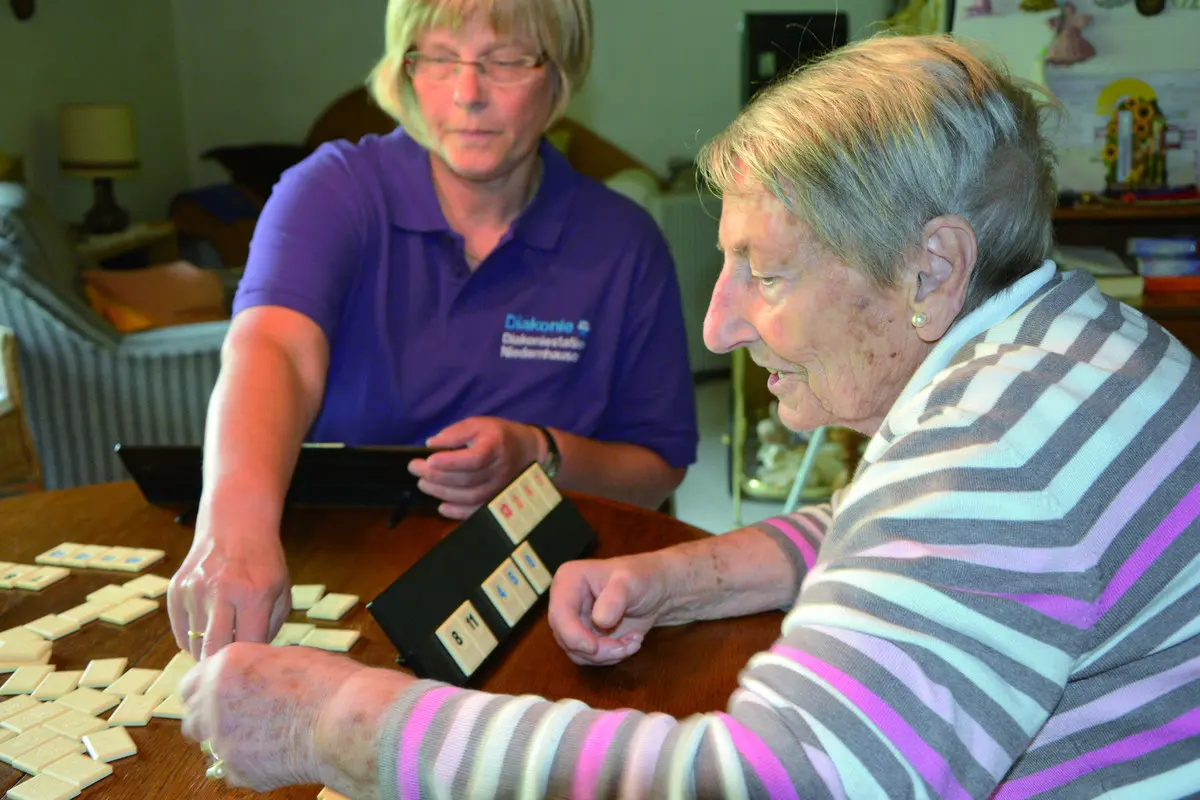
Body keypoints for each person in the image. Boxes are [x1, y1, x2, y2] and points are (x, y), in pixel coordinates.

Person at [177, 33, 1200, 798]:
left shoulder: (995, 459)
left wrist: (348, 718)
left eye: (765, 270)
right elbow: (895, 532)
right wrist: (685, 575)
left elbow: (758, 783)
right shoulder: (1063, 345)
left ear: (931, 268)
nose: (718, 325)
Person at [167, 0, 699, 659]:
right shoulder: (331, 191)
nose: (468, 93)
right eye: (439, 58)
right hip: (335, 583)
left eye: (505, 61)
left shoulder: (623, 242)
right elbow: (274, 349)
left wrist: (538, 454)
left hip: (547, 604)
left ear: (559, 74)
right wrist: (235, 525)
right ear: (404, 68)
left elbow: (656, 468)